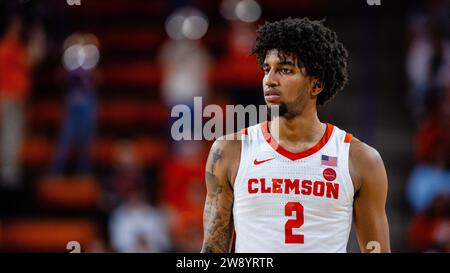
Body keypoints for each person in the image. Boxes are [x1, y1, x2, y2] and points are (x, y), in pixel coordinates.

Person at [201, 17, 390, 253]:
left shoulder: (361, 160)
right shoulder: (230, 151)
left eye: (285, 70)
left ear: (316, 85)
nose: (270, 80)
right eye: (267, 69)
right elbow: (212, 251)